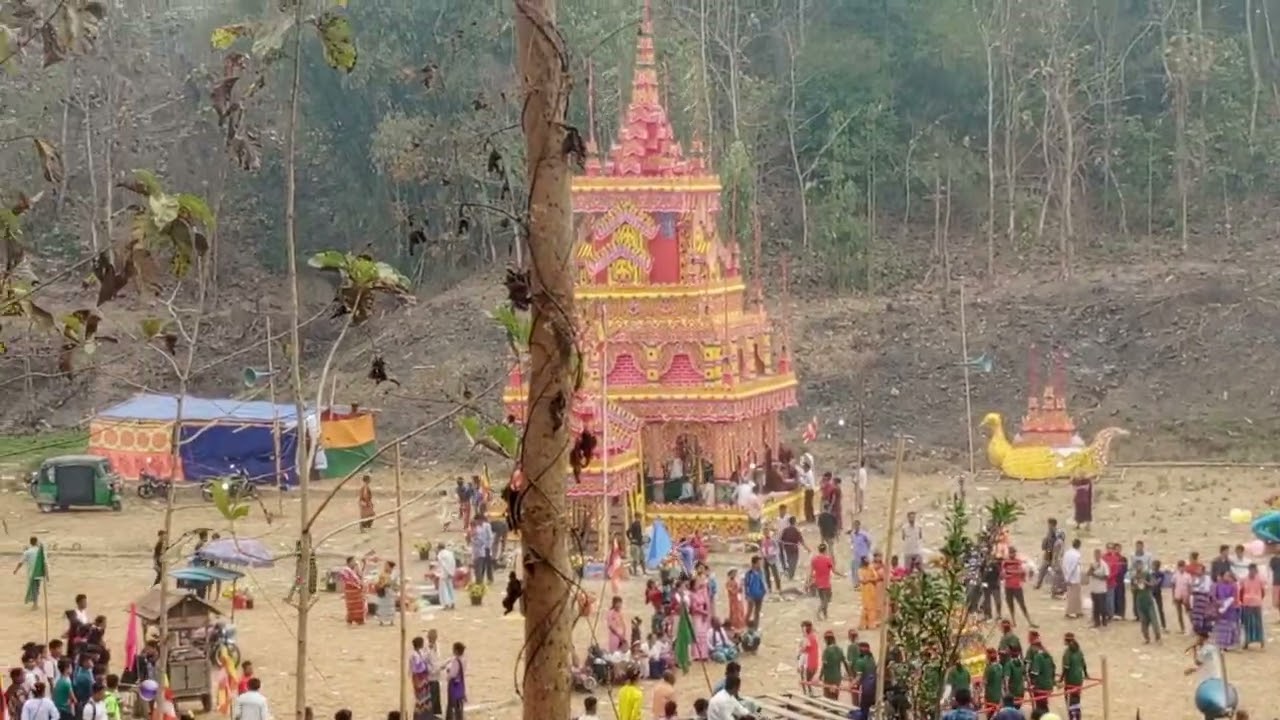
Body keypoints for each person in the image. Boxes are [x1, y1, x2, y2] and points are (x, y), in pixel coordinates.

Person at [1001, 547, 1036, 628]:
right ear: (1009, 553)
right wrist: (1015, 574)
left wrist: (1011, 574)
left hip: (1015, 586)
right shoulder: (1006, 562)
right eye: (1011, 553)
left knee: (1022, 604)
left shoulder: (1017, 562)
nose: (1013, 554)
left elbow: (1022, 572)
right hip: (1009, 586)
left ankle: (1029, 621)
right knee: (1011, 604)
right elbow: (1003, 574)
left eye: (1013, 553)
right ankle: (1014, 621)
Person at [1058, 634, 1087, 720]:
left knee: (1069, 701)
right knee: (1077, 699)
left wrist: (1061, 679)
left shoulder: (1068, 652)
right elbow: (1083, 663)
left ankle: (1072, 718)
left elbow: (1066, 667)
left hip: (1070, 680)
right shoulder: (1079, 651)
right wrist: (1086, 674)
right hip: (1079, 679)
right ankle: (1078, 717)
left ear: (1067, 641)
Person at [808, 543, 839, 620]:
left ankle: (825, 615)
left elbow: (811, 573)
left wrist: (809, 582)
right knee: (826, 600)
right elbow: (834, 571)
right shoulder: (827, 559)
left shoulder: (814, 559)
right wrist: (842, 575)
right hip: (826, 583)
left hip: (818, 583)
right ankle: (818, 612)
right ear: (825, 550)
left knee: (822, 600)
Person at [1131, 565, 1161, 644]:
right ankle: (1146, 638)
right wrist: (1135, 587)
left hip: (1148, 599)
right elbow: (1132, 589)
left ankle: (1157, 637)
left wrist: (1146, 582)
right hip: (1140, 600)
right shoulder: (1134, 577)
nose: (1138, 568)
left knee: (1153, 619)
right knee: (1143, 621)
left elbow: (1154, 583)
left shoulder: (1147, 574)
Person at [1212, 571, 1241, 650]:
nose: (1226, 578)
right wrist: (1218, 602)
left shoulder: (1234, 586)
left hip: (1230, 609)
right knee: (1221, 627)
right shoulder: (1218, 585)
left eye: (1228, 576)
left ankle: (1230, 645)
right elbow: (1214, 596)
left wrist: (1227, 603)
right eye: (1225, 576)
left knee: (1230, 627)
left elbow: (1234, 598)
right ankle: (1221, 644)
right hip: (1220, 608)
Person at [1239, 564, 1266, 649]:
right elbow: (1241, 591)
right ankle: (1247, 641)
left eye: (1253, 570)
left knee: (1258, 623)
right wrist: (1243, 601)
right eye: (1251, 570)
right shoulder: (1244, 580)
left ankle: (1261, 640)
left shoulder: (1260, 580)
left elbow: (1263, 592)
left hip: (1256, 603)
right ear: (1249, 570)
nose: (1252, 572)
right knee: (1247, 623)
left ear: (1256, 570)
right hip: (1247, 603)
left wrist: (1258, 599)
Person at [14, 537, 46, 607]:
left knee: (34, 588)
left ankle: (35, 603)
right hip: (39, 572)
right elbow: (44, 561)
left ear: (30, 542)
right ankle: (35, 602)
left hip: (32, 572)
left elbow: (21, 562)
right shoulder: (39, 551)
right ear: (36, 542)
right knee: (37, 587)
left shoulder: (27, 552)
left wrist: (16, 570)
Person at [409, 636, 434, 720]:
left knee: (426, 698)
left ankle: (426, 716)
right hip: (418, 678)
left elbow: (425, 659)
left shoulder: (420, 652)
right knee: (420, 698)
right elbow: (415, 669)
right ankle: (419, 717)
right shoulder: (413, 655)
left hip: (424, 677)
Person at [818, 631, 848, 701]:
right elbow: (845, 663)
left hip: (829, 678)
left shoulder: (826, 651)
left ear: (827, 640)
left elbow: (824, 665)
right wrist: (850, 675)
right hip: (837, 678)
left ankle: (828, 711)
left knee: (827, 697)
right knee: (835, 696)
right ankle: (835, 709)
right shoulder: (840, 650)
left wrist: (820, 676)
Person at [338, 556, 368, 625]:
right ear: (350, 562)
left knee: (358, 609)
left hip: (355, 594)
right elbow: (346, 580)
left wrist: (364, 564)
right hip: (352, 593)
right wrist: (356, 586)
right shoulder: (346, 570)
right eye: (354, 561)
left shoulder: (352, 570)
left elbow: (360, 576)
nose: (355, 563)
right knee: (353, 609)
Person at [858, 555, 884, 629]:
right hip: (865, 590)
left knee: (872, 607)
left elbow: (875, 577)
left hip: (872, 589)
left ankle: (871, 624)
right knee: (865, 607)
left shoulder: (871, 569)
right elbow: (861, 580)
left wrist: (869, 579)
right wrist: (867, 580)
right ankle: (863, 624)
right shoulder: (860, 570)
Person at [1087, 549, 1110, 628]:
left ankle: (1104, 620)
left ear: (1100, 555)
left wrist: (1096, 575)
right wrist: (1092, 568)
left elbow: (1106, 576)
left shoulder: (1104, 564)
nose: (1096, 556)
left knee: (1102, 607)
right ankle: (1096, 622)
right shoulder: (1093, 564)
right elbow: (1088, 574)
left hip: (1101, 589)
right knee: (1095, 607)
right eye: (1095, 555)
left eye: (1098, 555)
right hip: (1094, 589)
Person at [444, 643, 466, 720]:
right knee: (459, 704)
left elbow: (453, 674)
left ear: (456, 651)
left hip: (454, 685)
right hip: (460, 685)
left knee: (452, 704)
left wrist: (448, 674)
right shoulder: (463, 660)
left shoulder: (456, 661)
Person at [1061, 538, 1083, 619]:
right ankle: (1071, 611)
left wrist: (1066, 576)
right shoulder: (1077, 555)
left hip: (1068, 576)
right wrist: (1068, 577)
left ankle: (1078, 610)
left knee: (1074, 595)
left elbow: (1063, 564)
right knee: (1073, 596)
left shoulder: (1067, 553)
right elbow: (1073, 567)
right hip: (1074, 578)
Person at [743, 556, 767, 628]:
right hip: (751, 596)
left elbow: (762, 582)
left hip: (759, 595)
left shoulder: (760, 572)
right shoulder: (749, 573)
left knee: (757, 612)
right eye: (758, 563)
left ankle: (755, 627)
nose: (760, 564)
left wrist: (764, 591)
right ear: (754, 563)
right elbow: (746, 585)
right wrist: (747, 595)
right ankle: (745, 625)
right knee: (749, 612)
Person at [470, 516, 495, 585]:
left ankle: (489, 579)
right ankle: (481, 579)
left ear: (481, 520)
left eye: (477, 521)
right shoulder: (477, 528)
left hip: (486, 547)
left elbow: (489, 537)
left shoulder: (486, 526)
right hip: (480, 549)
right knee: (481, 565)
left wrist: (488, 546)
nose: (477, 522)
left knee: (487, 564)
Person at [848, 521, 872, 586]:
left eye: (856, 525)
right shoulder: (852, 534)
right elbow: (852, 543)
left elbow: (869, 542)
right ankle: (857, 584)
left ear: (859, 525)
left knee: (865, 569)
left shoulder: (864, 534)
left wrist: (866, 550)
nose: (855, 527)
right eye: (854, 525)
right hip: (856, 555)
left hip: (863, 554)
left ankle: (866, 582)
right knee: (856, 570)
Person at [436, 543, 457, 610]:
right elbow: (453, 563)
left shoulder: (440, 555)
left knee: (443, 589)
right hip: (450, 572)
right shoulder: (450, 553)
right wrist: (452, 572)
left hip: (444, 573)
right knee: (450, 588)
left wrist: (442, 572)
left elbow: (443, 565)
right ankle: (452, 602)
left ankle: (446, 604)